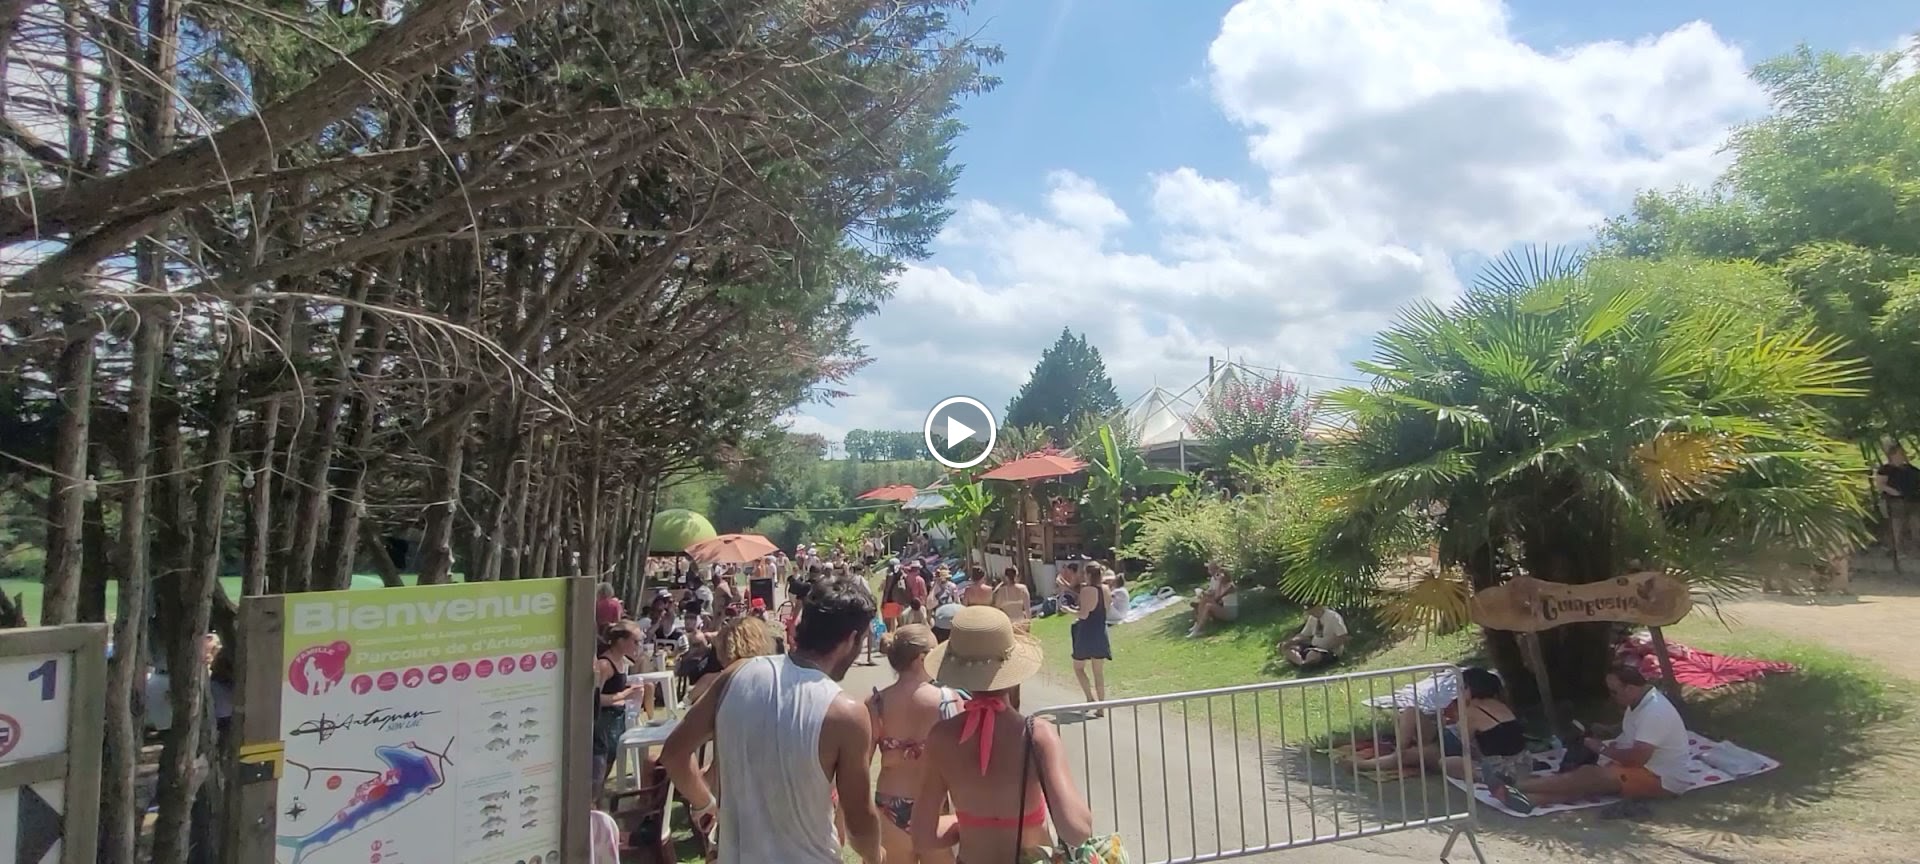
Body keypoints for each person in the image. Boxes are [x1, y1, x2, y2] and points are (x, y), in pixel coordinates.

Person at [662, 572, 884, 864]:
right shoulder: (846, 713)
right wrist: (875, 856)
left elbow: (674, 754)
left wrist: (706, 805)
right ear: (852, 639)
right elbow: (859, 819)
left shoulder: (737, 674)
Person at [912, 607, 1094, 863]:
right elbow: (1077, 829)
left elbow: (923, 836)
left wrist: (971, 823)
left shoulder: (941, 737)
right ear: (1013, 670)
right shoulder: (1037, 735)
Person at [1494, 666, 1691, 814]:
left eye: (1614, 692)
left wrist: (1602, 749)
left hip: (1661, 779)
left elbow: (1637, 759)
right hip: (1644, 769)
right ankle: (1531, 799)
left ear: (1630, 689)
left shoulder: (1655, 713)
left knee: (1592, 777)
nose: (1612, 696)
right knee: (1588, 779)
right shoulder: (1640, 700)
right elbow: (1635, 727)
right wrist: (1609, 730)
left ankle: (1518, 785)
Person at [869, 625, 967, 864]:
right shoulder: (948, 700)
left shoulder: (876, 703)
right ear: (922, 658)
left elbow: (859, 766)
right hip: (935, 808)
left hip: (890, 804)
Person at [1348, 667, 1526, 782]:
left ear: (1470, 689)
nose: (1458, 691)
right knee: (1411, 711)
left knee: (1429, 758)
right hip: (1452, 739)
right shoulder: (1498, 705)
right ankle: (1399, 751)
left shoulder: (1473, 711)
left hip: (1455, 746)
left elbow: (1467, 744)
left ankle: (1368, 763)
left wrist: (1445, 726)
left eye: (1462, 687)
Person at [592, 622, 643, 785]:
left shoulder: (622, 661)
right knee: (601, 763)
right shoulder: (605, 664)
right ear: (621, 641)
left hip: (616, 718)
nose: (638, 645)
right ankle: (593, 796)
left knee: (611, 758)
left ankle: (598, 794)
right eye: (635, 641)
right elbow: (594, 698)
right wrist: (625, 694)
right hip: (604, 721)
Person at [1069, 564, 1112, 713]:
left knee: (1078, 667)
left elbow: (1083, 615)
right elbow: (1105, 609)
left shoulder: (1087, 590)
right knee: (1098, 672)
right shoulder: (1106, 589)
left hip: (1086, 632)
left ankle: (1090, 698)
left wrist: (1068, 610)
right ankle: (1101, 706)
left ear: (1088, 574)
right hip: (1100, 631)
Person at [1878, 442, 1920, 558]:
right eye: (1900, 453)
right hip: (1895, 501)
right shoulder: (1886, 469)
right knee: (1897, 526)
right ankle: (1898, 549)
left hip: (1913, 500)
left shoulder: (1911, 469)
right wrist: (1894, 492)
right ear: (1892, 455)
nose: (1903, 455)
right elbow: (1881, 485)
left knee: (1916, 525)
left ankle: (1916, 549)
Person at [1279, 603, 1348, 669]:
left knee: (1312, 654)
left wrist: (1325, 647)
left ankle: (1306, 663)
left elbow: (1342, 637)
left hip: (1329, 651)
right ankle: (1303, 664)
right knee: (1289, 648)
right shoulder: (1312, 618)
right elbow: (1304, 635)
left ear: (1319, 606)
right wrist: (1290, 642)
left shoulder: (1333, 617)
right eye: (1309, 612)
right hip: (1313, 647)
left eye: (1313, 611)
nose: (1311, 614)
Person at [1189, 561, 1238, 638]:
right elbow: (1215, 594)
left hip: (1230, 613)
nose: (1217, 577)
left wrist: (1219, 582)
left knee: (1208, 605)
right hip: (1223, 608)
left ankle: (1198, 629)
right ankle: (1197, 625)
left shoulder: (1230, 587)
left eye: (1219, 575)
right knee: (1204, 600)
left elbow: (1217, 597)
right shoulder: (1223, 585)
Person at [991, 567, 1032, 633]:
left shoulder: (1001, 591)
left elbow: (996, 608)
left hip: (1008, 624)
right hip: (1021, 622)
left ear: (1006, 577)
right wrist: (1028, 624)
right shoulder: (1023, 588)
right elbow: (1028, 609)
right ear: (1016, 576)